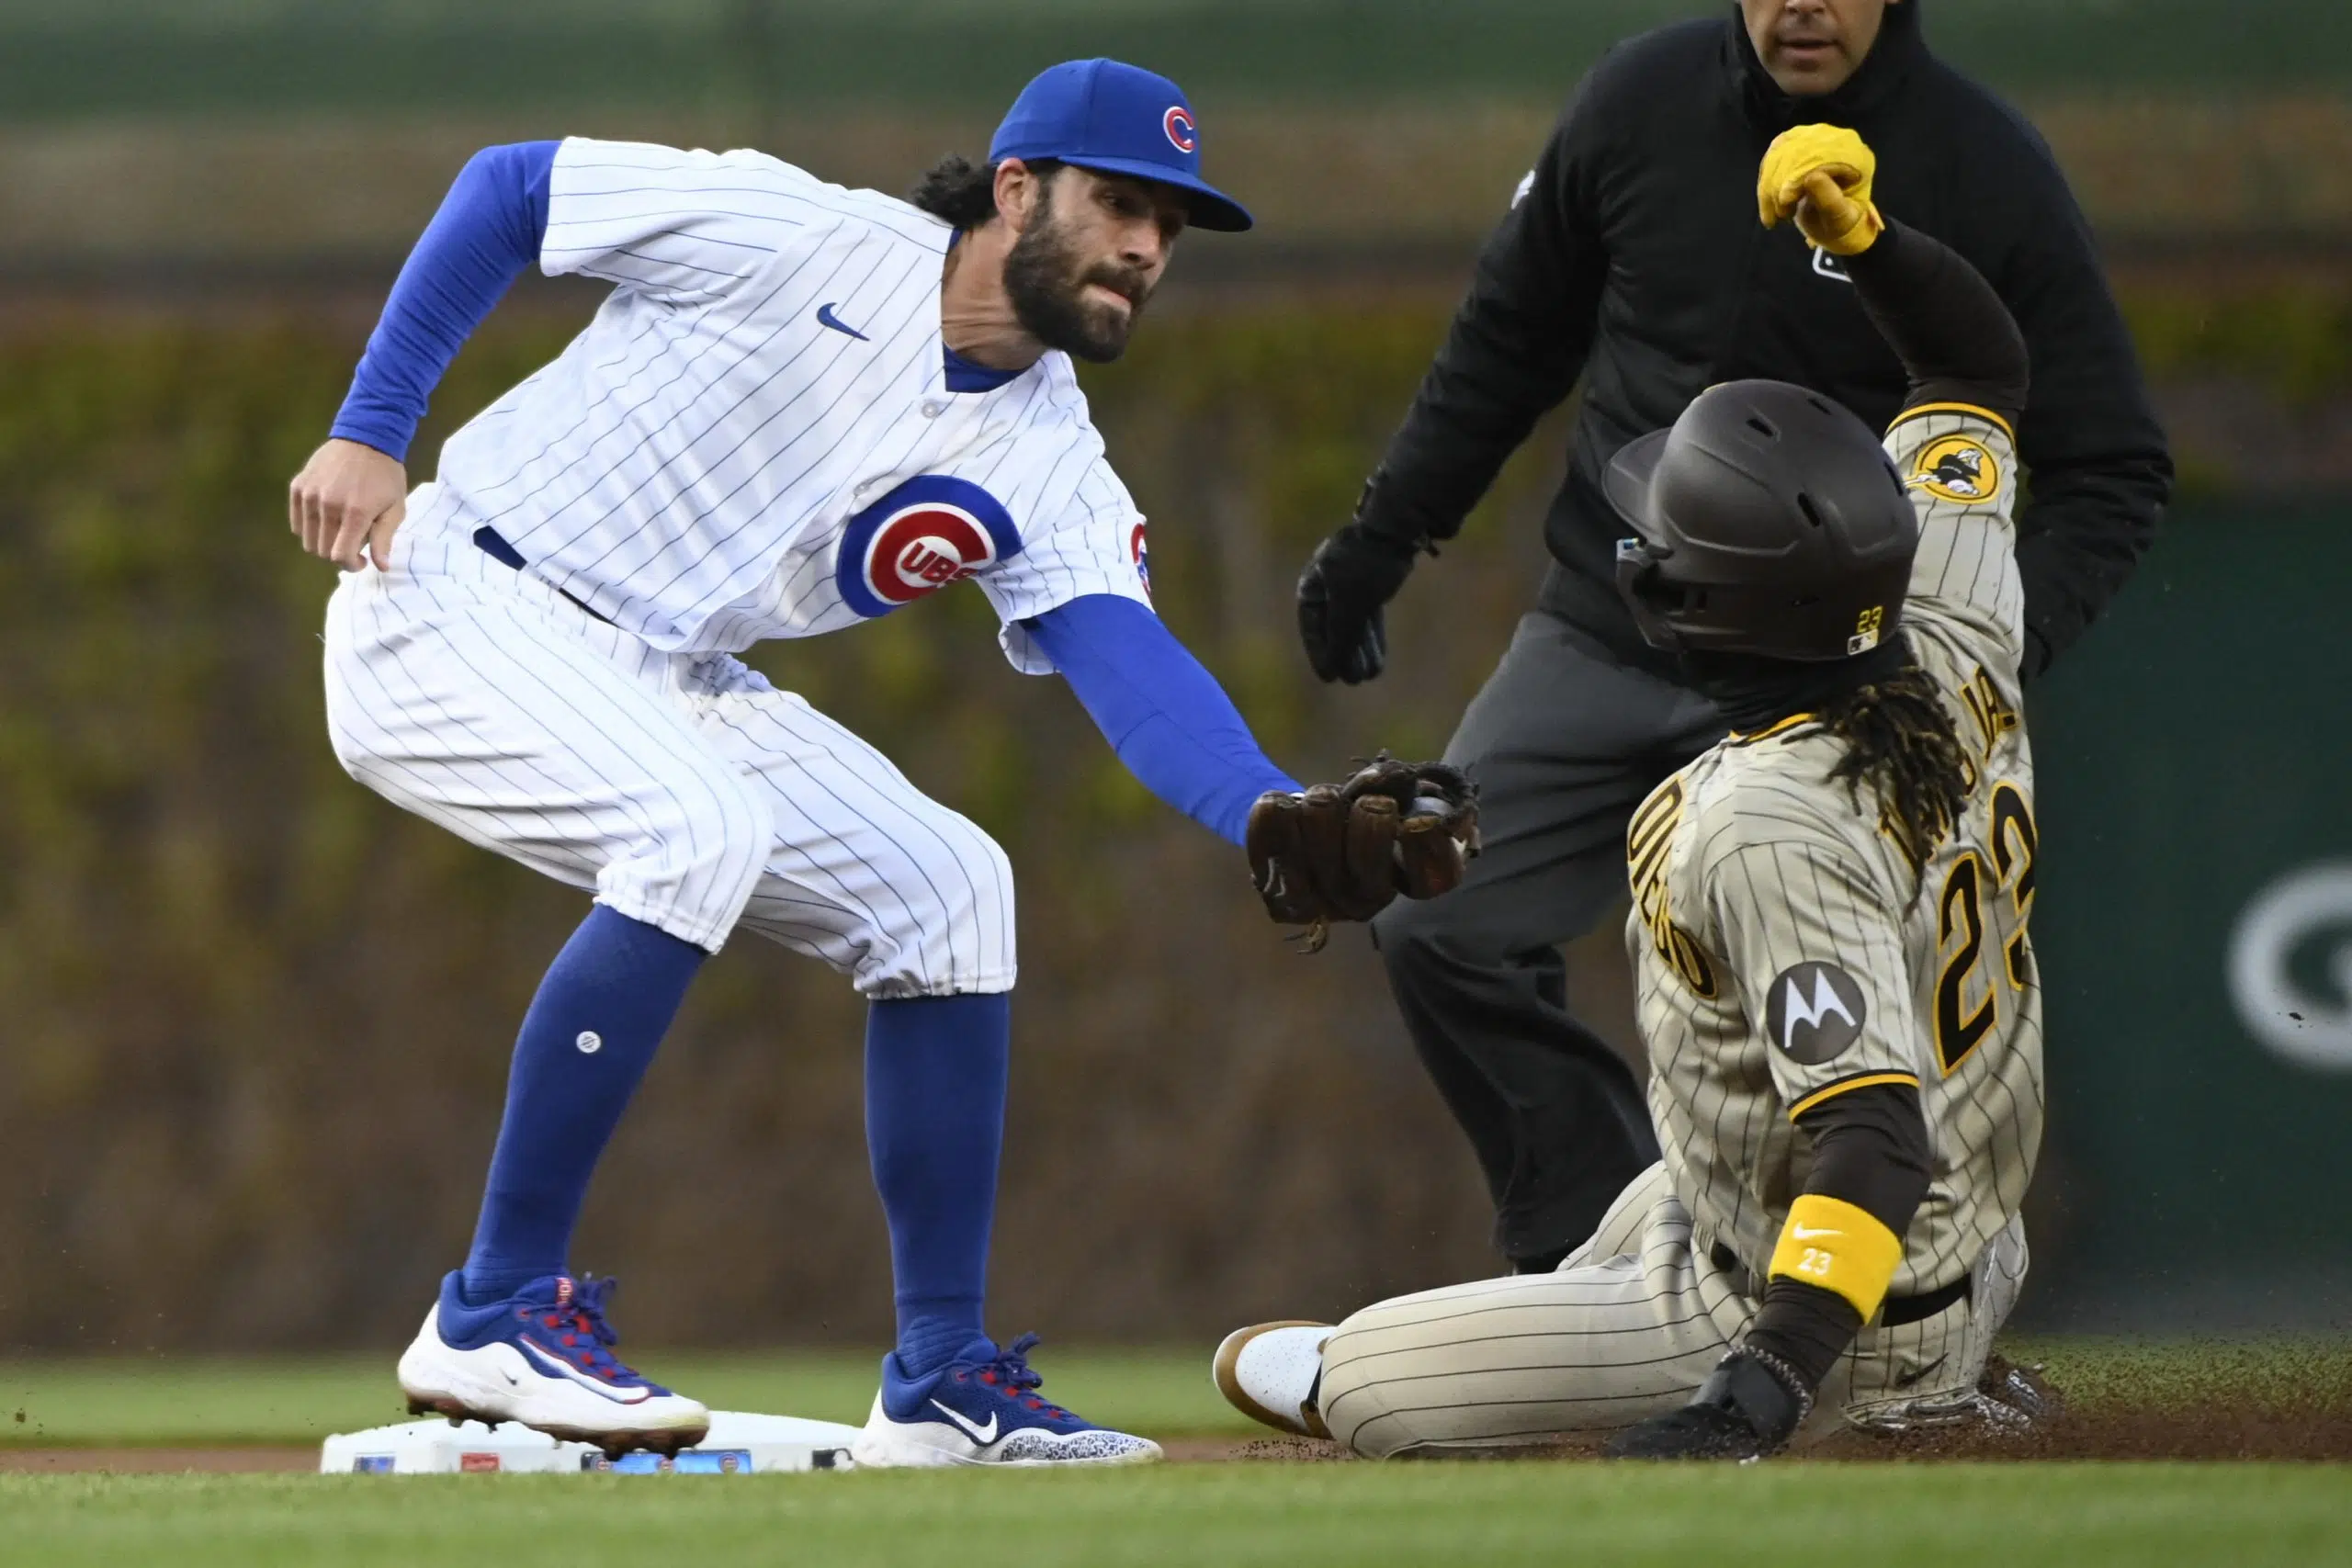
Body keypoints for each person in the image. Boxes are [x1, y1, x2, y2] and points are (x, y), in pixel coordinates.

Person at [286, 58, 1458, 1470]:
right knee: (698, 828)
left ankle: (942, 1379)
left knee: (952, 888)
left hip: (670, 671)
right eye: (1119, 203)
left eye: (1170, 225)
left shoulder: (1050, 460)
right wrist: (370, 426)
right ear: (1016, 190)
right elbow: (514, 188)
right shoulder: (800, 236)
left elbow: (1128, 663)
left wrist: (1267, 802)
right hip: (456, 592)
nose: (1147, 247)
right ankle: (490, 1311)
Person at [1213, 126, 2043, 1460]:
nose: (1634, 542)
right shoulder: (1946, 621)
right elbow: (1977, 365)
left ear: (1694, 610)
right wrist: (1869, 248)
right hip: (1953, 1224)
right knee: (1633, 1212)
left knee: (1329, 1375)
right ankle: (1883, 1344)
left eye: (1659, 538)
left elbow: (1874, 1136)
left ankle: (1914, 1394)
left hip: (1826, 1293)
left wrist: (1762, 1384)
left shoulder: (1769, 816)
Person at [1296, 0, 2166, 1273]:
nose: (1801, 3)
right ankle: (1593, 1251)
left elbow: (2113, 464)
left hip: (1839, 691)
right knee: (1442, 921)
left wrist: (1975, 655)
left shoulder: (1984, 164)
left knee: (1854, 1030)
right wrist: (1381, 540)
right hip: (1603, 632)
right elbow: (1507, 344)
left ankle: (1919, 1334)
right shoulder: (1636, 103)